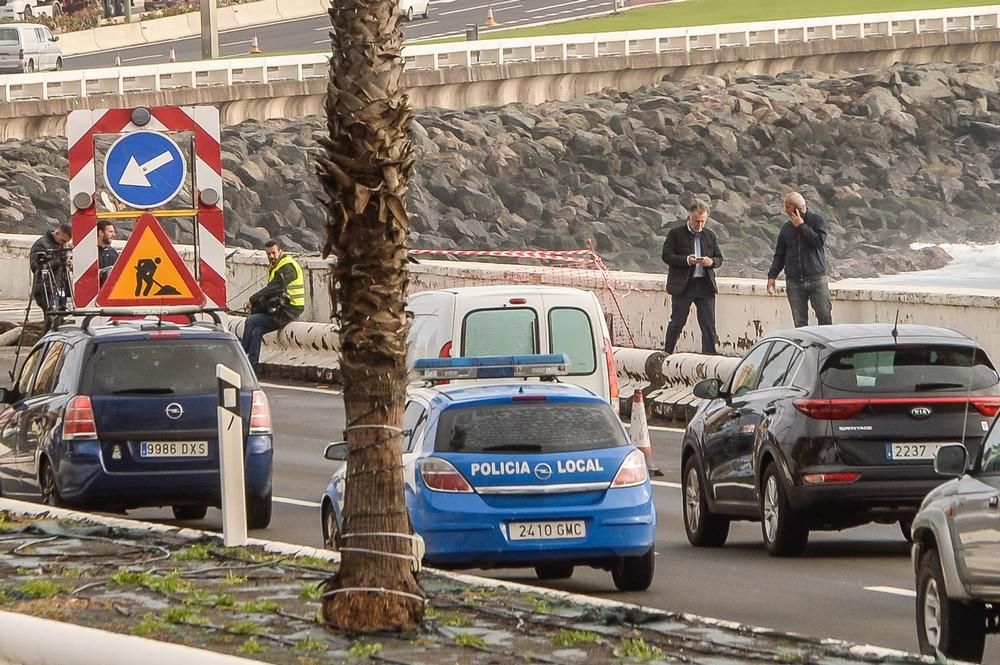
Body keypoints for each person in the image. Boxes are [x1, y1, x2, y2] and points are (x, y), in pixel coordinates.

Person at [661, 200, 723, 355]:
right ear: (689, 216)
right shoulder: (675, 234)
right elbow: (666, 256)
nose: (700, 225)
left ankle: (709, 356)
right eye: (697, 221)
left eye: (703, 221)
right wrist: (687, 260)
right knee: (677, 322)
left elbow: (719, 258)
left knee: (708, 324)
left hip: (704, 284)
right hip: (683, 285)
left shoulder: (710, 235)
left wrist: (711, 262)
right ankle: (666, 353)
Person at [766, 192, 833, 327]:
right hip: (794, 281)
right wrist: (772, 276)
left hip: (816, 279)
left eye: (788, 207)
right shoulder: (786, 228)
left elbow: (818, 242)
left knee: (824, 316)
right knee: (799, 322)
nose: (786, 211)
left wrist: (802, 226)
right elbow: (780, 254)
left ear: (799, 208)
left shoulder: (817, 221)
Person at [241, 239, 305, 370]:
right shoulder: (277, 266)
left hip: (289, 311)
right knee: (257, 331)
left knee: (251, 321)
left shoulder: (287, 266)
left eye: (273, 253)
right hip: (282, 309)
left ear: (280, 251)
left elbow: (274, 288)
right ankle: (251, 366)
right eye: (268, 254)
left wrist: (252, 300)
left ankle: (240, 356)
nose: (271, 257)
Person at [29, 222, 72, 317]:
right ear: (56, 233)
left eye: (66, 242)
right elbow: (35, 266)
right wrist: (59, 261)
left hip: (60, 287)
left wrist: (68, 263)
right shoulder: (41, 244)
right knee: (51, 317)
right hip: (45, 288)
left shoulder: (61, 246)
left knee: (60, 317)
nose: (64, 244)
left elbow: (62, 266)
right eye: (63, 240)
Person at [97, 220, 118, 286]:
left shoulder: (114, 254)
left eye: (113, 232)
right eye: (110, 232)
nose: (114, 235)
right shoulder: (91, 254)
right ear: (101, 232)